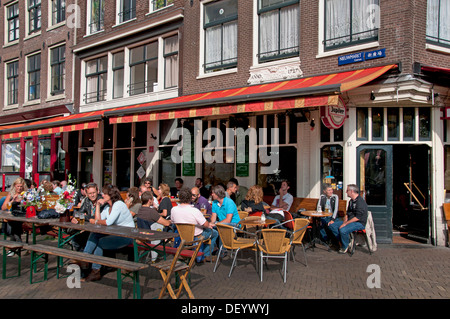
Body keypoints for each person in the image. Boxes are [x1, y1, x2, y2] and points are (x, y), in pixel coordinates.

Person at [80, 184, 135, 282]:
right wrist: (97, 205)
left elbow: (107, 222)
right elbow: (98, 219)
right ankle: (85, 259)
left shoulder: (118, 204)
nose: (102, 195)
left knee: (100, 243)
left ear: (111, 194)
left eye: (104, 193)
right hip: (116, 234)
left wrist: (96, 221)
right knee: (94, 234)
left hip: (126, 236)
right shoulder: (108, 207)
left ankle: (94, 270)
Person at [171, 188, 218, 262]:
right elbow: (205, 224)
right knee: (215, 233)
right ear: (190, 198)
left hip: (182, 235)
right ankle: (206, 255)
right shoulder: (195, 211)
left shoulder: (174, 209)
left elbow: (173, 222)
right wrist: (209, 225)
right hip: (196, 235)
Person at [328, 184, 368, 254]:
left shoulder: (360, 202)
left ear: (352, 191)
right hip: (350, 221)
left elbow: (357, 217)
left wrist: (345, 224)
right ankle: (346, 241)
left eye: (347, 190)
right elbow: (348, 213)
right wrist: (344, 222)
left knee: (343, 230)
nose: (346, 192)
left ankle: (344, 246)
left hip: (359, 223)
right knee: (332, 226)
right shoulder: (351, 201)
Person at [70, 183, 104, 251]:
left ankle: (85, 258)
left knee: (83, 239)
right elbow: (78, 213)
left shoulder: (102, 201)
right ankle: (83, 258)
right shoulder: (86, 200)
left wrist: (85, 217)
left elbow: (97, 218)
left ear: (97, 191)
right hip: (89, 228)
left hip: (100, 229)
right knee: (75, 239)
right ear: (87, 194)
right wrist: (74, 218)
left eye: (94, 192)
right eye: (90, 193)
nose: (92, 195)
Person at [1, 178, 28, 247]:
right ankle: (17, 241)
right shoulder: (11, 194)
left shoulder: (26, 194)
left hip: (23, 216)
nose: (19, 188)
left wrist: (24, 200)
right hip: (14, 215)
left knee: (13, 224)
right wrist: (12, 200)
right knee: (12, 222)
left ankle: (14, 246)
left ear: (23, 186)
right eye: (18, 186)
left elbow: (30, 206)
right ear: (14, 186)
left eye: (21, 186)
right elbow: (3, 208)